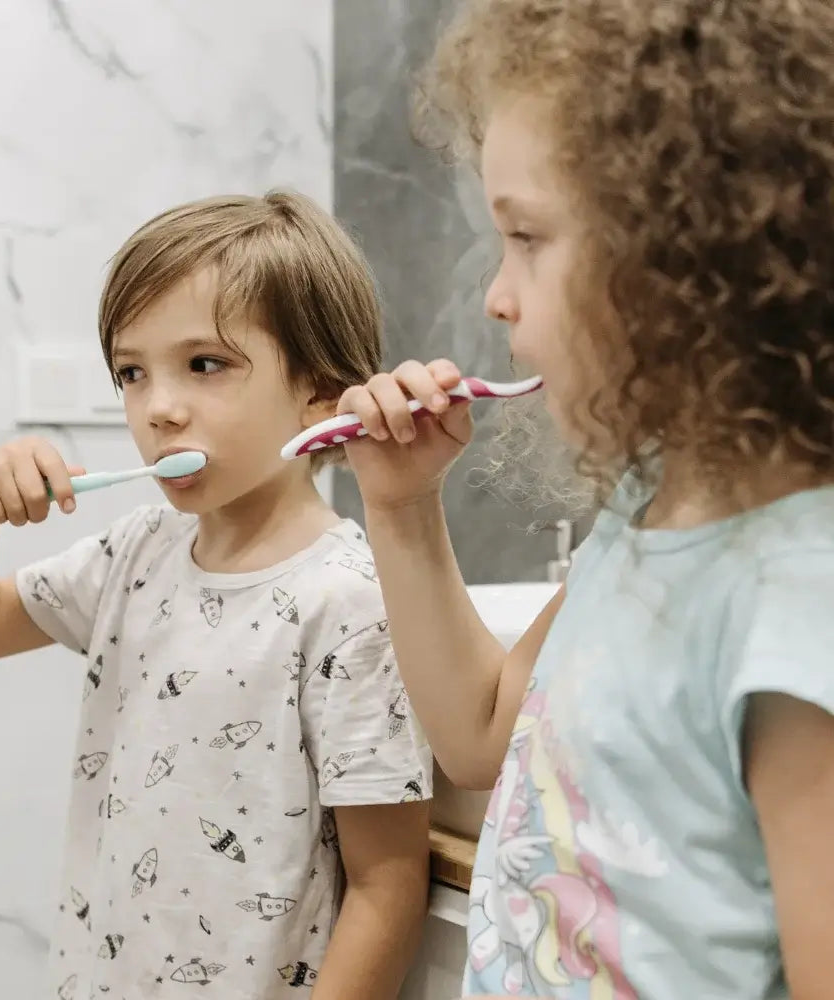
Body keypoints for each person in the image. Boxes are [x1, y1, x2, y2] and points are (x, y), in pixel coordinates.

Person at [333, 1, 834, 996]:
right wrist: (399, 506)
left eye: (526, 237)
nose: (495, 295)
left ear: (690, 260)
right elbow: (479, 729)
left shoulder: (796, 600)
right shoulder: (655, 505)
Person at [0, 192, 434, 999]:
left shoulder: (346, 602)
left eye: (206, 365)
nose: (158, 408)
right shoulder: (137, 553)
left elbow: (390, 882)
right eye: (133, 372)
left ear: (320, 394)